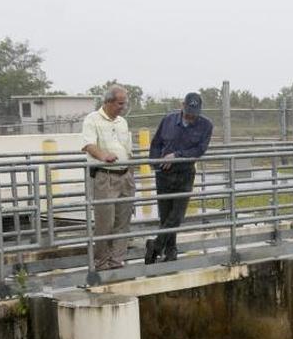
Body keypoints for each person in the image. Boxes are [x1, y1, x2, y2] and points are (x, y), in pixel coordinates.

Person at [145, 92, 214, 264]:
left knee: (177, 215)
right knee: (166, 215)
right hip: (164, 174)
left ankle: (156, 245)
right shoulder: (168, 120)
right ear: (182, 105)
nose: (191, 116)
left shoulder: (206, 125)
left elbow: (199, 150)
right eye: (188, 112)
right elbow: (156, 143)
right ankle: (171, 251)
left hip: (185, 173)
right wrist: (156, 164)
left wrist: (177, 156)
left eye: (194, 113)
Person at [81, 85, 134, 270]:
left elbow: (128, 150)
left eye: (124, 103)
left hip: (124, 175)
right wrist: (104, 155)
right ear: (108, 102)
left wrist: (131, 171)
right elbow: (89, 145)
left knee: (123, 221)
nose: (123, 107)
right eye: (120, 103)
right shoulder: (92, 119)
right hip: (105, 175)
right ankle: (101, 262)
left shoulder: (122, 122)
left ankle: (117, 260)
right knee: (105, 222)